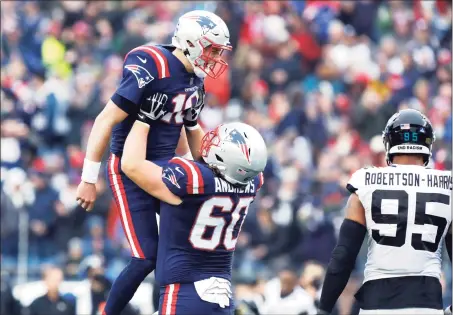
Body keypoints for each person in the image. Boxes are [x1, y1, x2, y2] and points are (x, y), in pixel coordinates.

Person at [75, 10, 232, 315]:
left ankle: (172, 307)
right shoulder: (154, 64)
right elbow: (105, 118)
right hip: (129, 167)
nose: (215, 58)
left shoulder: (193, 80)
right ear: (190, 42)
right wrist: (88, 177)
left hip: (166, 166)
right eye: (212, 49)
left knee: (184, 247)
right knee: (146, 256)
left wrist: (205, 171)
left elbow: (187, 130)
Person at [121, 99, 267, 313]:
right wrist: (191, 124)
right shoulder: (251, 182)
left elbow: (130, 165)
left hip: (185, 293)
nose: (212, 141)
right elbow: (212, 165)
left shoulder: (194, 180)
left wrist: (143, 120)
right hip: (221, 295)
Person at [318, 109, 452, 315]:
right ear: (427, 144)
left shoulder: (366, 181)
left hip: (376, 304)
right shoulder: (447, 186)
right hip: (426, 304)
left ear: (389, 143)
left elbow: (343, 256)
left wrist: (324, 309)